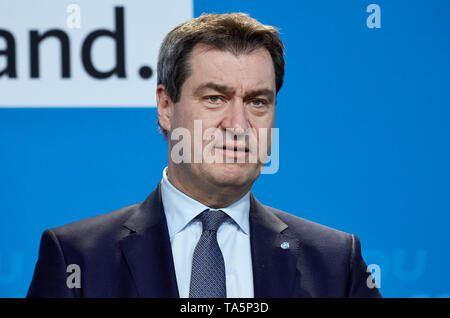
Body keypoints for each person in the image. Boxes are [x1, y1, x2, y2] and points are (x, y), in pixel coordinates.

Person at [27, 13, 381, 298]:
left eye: (258, 102)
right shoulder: (78, 259)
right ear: (166, 106)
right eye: (215, 98)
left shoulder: (336, 263)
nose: (238, 124)